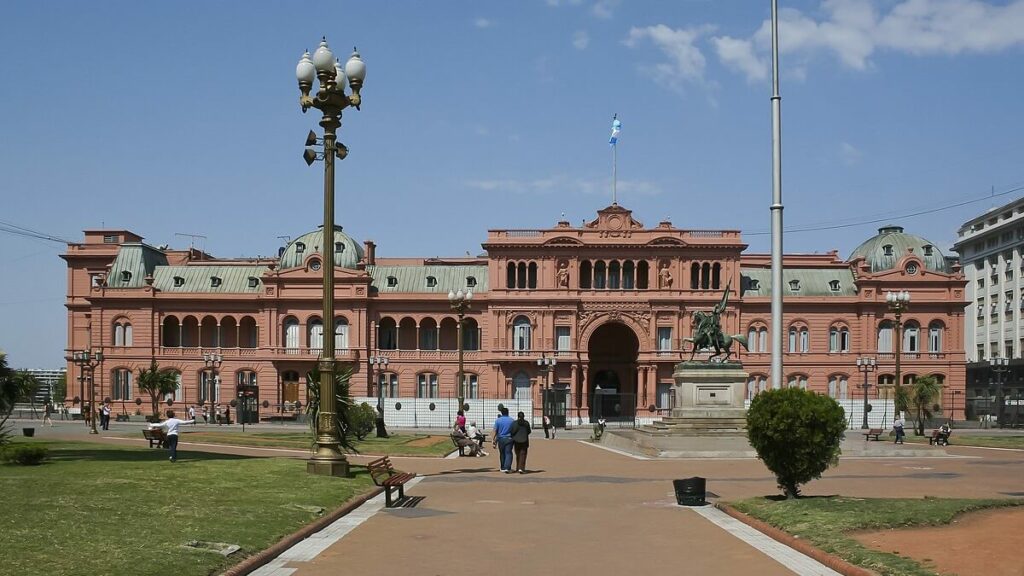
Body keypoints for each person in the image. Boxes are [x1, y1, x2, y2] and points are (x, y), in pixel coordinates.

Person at [492, 406, 515, 473]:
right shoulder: (512, 420)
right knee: (508, 453)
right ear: (508, 412)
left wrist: (493, 440)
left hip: (501, 438)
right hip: (509, 438)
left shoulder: (498, 420)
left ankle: (502, 467)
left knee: (502, 453)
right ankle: (507, 467)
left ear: (501, 413)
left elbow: (495, 431)